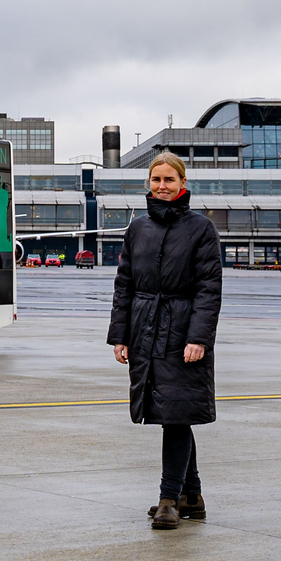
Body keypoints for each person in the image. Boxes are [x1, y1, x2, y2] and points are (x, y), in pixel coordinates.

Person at [107, 152, 222, 530]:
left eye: (169, 180)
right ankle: (193, 494)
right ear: (149, 184)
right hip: (144, 330)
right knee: (172, 413)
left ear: (182, 183)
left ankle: (169, 499)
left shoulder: (201, 228)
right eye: (156, 179)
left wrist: (199, 338)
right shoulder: (137, 228)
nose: (162, 186)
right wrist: (120, 335)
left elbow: (209, 288)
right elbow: (124, 284)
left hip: (181, 331)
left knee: (175, 415)